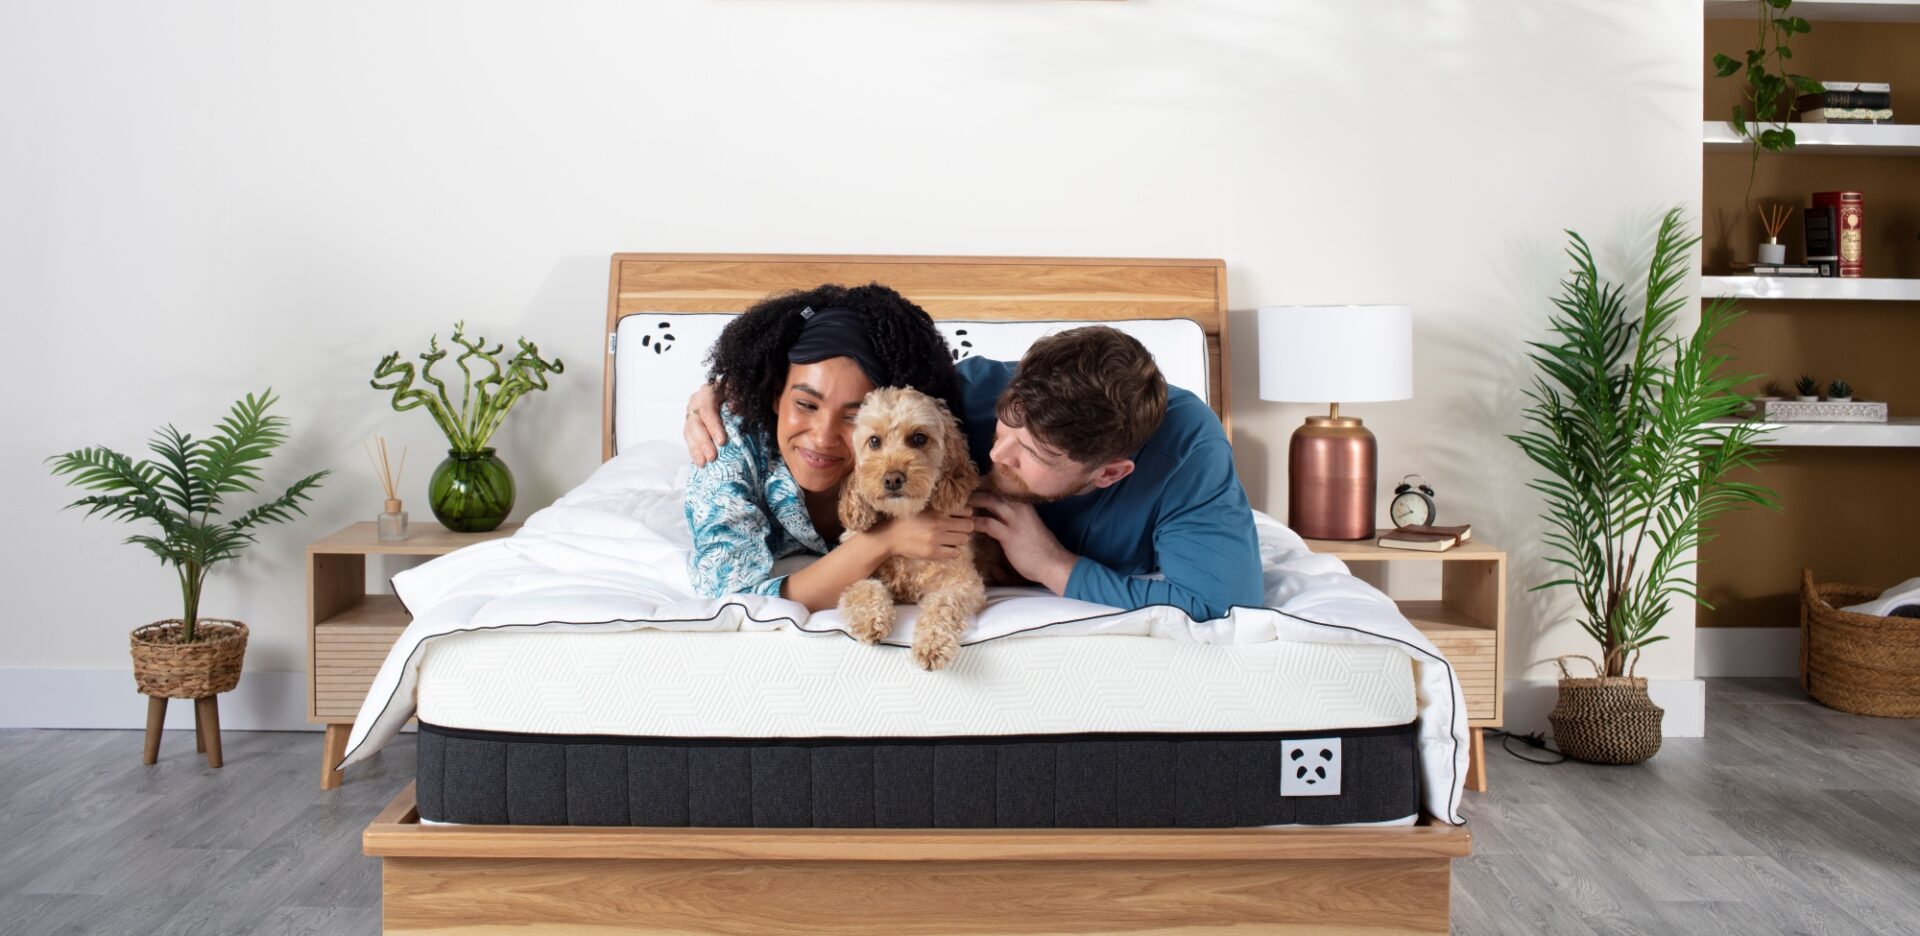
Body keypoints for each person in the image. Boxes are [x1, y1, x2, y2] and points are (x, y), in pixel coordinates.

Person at [687, 325, 1264, 620]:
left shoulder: (1189, 454)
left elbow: (1226, 607)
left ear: (1110, 473)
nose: (997, 454)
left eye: (1031, 455)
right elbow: (845, 368)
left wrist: (1056, 568)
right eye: (1005, 425)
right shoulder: (969, 391)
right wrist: (731, 389)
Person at [684, 283, 973, 610]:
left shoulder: (931, 438)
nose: (823, 438)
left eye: (854, 416)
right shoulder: (725, 442)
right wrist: (884, 540)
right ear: (776, 395)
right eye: (806, 404)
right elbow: (732, 599)